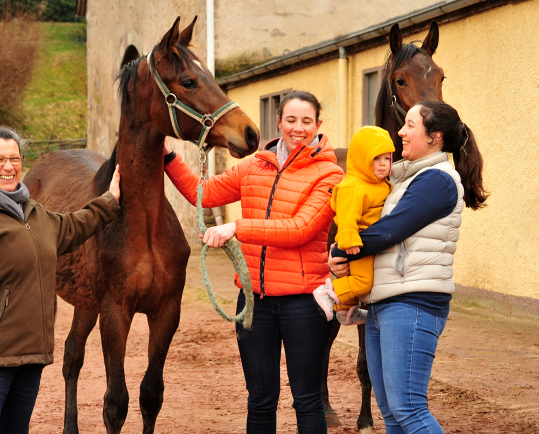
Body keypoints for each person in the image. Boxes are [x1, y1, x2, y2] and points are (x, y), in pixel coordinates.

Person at [164, 90, 344, 433]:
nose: (298, 128)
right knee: (259, 399)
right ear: (278, 122)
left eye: (307, 121)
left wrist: (237, 227)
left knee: (307, 398)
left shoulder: (329, 175)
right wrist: (170, 156)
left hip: (304, 302)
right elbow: (202, 194)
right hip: (254, 303)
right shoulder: (253, 166)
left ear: (318, 125)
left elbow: (301, 229)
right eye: (291, 120)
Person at [0, 125, 121, 434]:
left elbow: (72, 227)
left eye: (14, 159)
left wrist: (110, 201)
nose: (8, 167)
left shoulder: (33, 215)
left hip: (30, 357)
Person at [328, 100, 487, 434]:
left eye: (411, 125)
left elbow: (390, 231)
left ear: (434, 137)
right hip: (385, 301)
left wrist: (342, 249)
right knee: (391, 411)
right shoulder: (402, 180)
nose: (400, 131)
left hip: (412, 303)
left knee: (409, 409)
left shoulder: (437, 180)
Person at [313, 126, 394, 325]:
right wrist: (349, 240)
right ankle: (328, 292)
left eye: (387, 158)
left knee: (367, 281)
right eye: (376, 159)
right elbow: (347, 215)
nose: (383, 165)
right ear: (361, 159)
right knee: (363, 282)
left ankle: (343, 310)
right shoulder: (353, 186)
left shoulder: (377, 183)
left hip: (370, 242)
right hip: (357, 243)